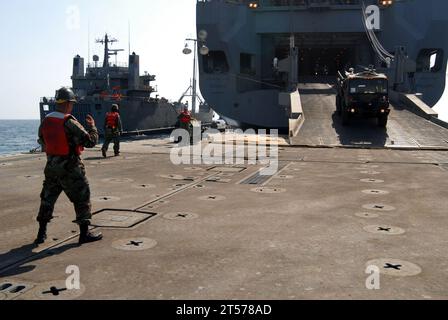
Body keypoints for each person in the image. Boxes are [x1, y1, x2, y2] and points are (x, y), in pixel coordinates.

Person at [35, 87, 103, 245]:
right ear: (68, 104)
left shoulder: (46, 120)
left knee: (47, 199)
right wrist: (92, 126)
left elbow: (41, 140)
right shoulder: (69, 121)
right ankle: (84, 234)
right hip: (70, 167)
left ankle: (41, 234)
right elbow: (90, 141)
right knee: (82, 198)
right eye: (71, 103)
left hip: (51, 166)